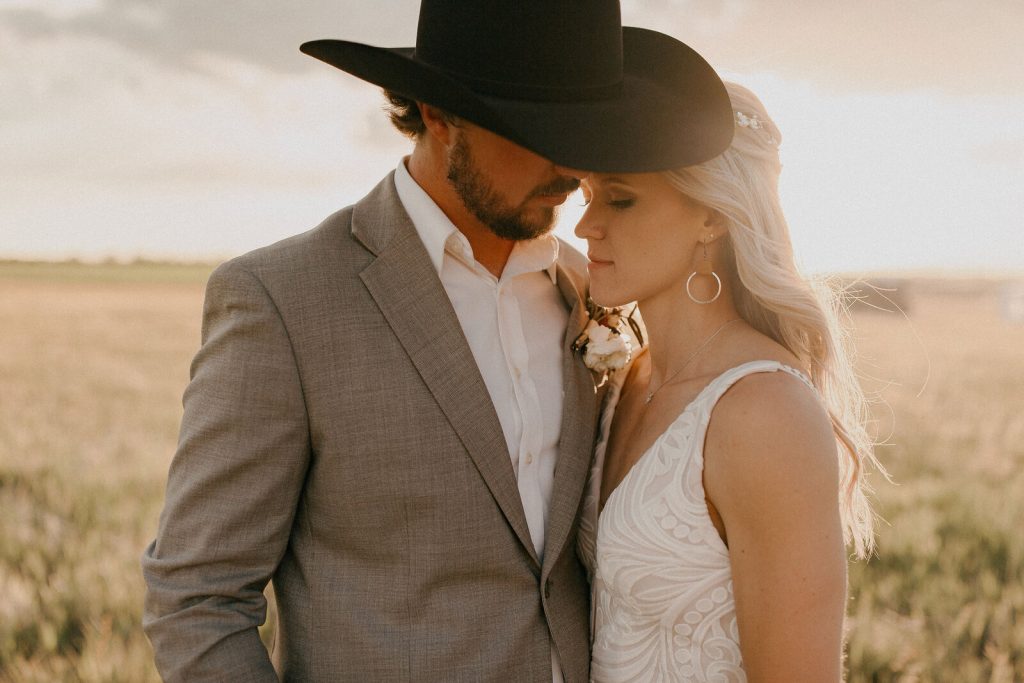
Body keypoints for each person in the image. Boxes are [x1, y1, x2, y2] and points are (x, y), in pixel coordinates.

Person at [140, 1, 734, 681]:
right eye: (536, 130)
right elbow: (196, 597)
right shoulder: (283, 302)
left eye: (580, 132)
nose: (570, 170)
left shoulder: (593, 292)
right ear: (438, 115)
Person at [574, 82, 882, 681]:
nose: (586, 225)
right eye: (587, 196)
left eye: (620, 199)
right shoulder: (627, 379)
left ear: (711, 216)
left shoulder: (764, 412)